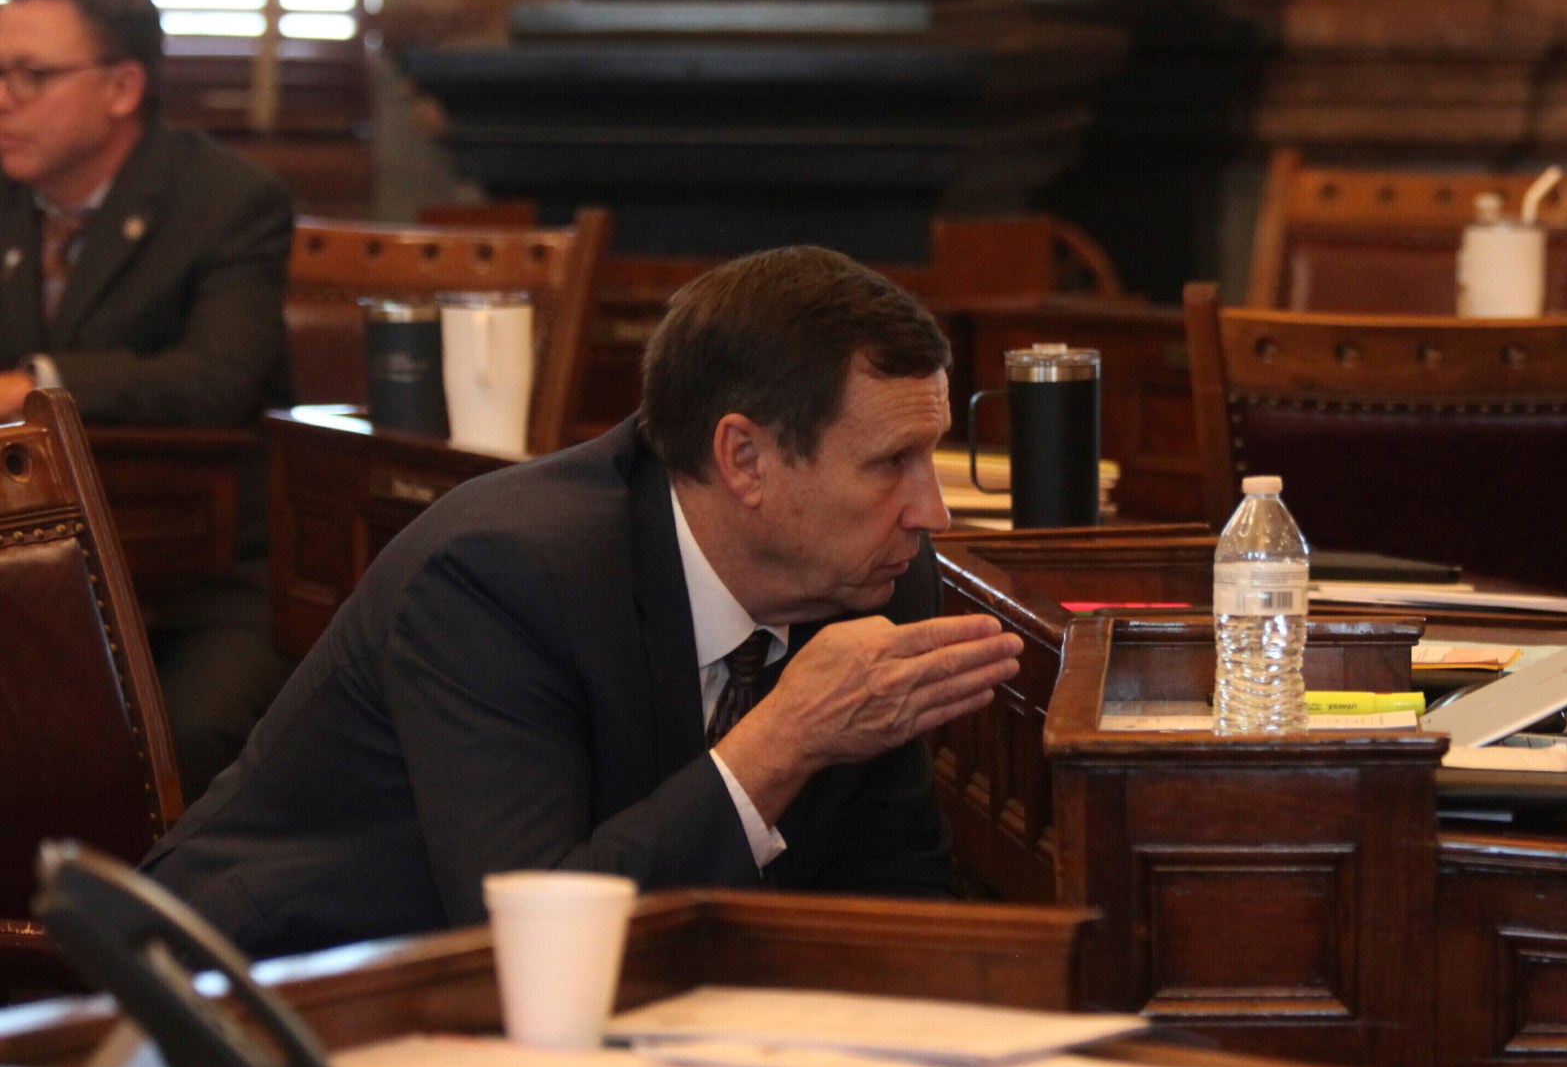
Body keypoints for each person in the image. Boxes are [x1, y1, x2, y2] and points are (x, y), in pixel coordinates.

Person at [140, 246, 1024, 958]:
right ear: (744, 460)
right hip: (274, 995)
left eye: (932, 457)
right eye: (889, 464)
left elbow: (893, 892)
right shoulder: (500, 577)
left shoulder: (872, 571)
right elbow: (525, 938)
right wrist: (783, 739)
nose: (931, 510)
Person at [0, 0, 295, 798]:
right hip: (29, 569)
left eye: (32, 76)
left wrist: (37, 384)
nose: (3, 98)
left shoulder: (228, 201)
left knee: (190, 733)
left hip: (209, 572)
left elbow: (216, 381)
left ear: (123, 86)